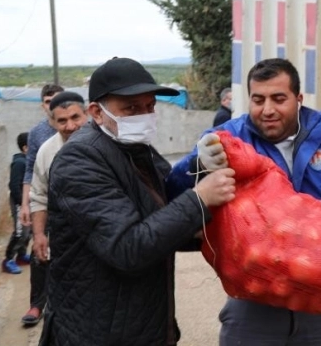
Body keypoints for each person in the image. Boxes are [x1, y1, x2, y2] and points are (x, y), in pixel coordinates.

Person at [166, 57, 321, 346]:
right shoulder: (230, 139)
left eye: (278, 98)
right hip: (256, 299)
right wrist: (197, 164)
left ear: (298, 99)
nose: (268, 109)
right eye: (258, 100)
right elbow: (174, 193)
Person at [42, 57, 236, 346]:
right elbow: (128, 247)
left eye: (149, 106)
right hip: (99, 331)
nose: (145, 115)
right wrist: (200, 200)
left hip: (143, 324)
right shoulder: (79, 160)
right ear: (96, 111)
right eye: (131, 108)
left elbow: (162, 219)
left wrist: (200, 172)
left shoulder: (135, 150)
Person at [27, 91, 90, 312]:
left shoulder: (106, 144)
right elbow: (39, 195)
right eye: (62, 120)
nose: (70, 126)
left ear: (87, 114)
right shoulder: (47, 152)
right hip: (64, 237)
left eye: (76, 118)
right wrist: (39, 235)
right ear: (52, 122)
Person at [19, 83, 63, 326]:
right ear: (42, 105)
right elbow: (30, 171)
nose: (53, 105)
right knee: (39, 252)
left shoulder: (79, 127)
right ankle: (37, 304)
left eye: (57, 99)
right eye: (48, 101)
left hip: (75, 202)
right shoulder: (37, 133)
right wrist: (26, 204)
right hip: (46, 201)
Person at [2, 132, 31, 275]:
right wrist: (22, 203)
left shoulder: (28, 161)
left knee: (28, 231)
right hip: (20, 202)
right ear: (25, 148)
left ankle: (21, 255)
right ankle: (8, 260)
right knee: (20, 232)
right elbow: (13, 186)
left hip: (27, 202)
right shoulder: (19, 163)